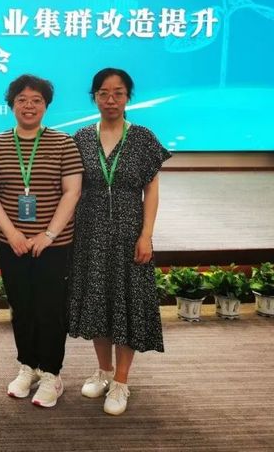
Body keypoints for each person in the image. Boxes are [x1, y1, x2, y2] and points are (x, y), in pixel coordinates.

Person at [67, 67, 171, 416]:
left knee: (128, 304)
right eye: (103, 93)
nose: (110, 100)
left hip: (129, 234)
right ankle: (103, 371)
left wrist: (147, 235)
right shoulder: (81, 137)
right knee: (98, 303)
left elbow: (151, 190)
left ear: (128, 97)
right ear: (94, 97)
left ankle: (122, 381)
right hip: (90, 233)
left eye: (118, 93)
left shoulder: (143, 137)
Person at [0, 74, 83, 409]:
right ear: (11, 104)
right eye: (22, 100)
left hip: (54, 243)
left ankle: (52, 373)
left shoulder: (63, 143)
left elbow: (72, 192)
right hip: (11, 242)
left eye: (36, 100)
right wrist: (12, 233)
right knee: (21, 305)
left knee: (50, 308)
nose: (29, 106)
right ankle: (27, 365)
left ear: (46, 105)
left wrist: (48, 234)